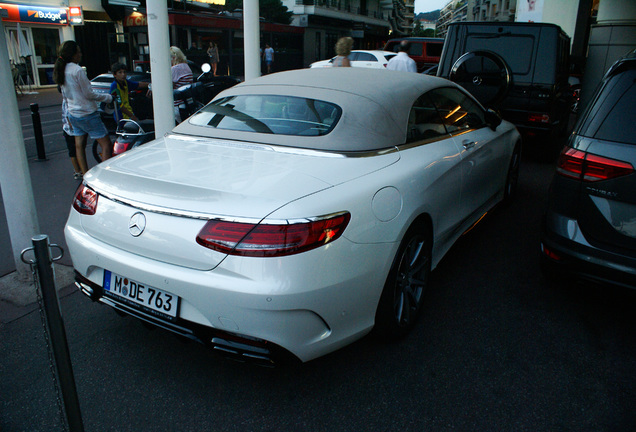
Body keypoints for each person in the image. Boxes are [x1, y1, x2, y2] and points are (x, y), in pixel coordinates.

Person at [53, 40, 113, 175]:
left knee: (79, 146)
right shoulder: (77, 70)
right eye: (78, 52)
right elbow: (88, 93)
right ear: (73, 54)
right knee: (106, 144)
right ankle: (104, 174)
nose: (81, 54)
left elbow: (65, 95)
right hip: (87, 112)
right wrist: (108, 98)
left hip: (73, 113)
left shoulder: (61, 69)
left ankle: (84, 174)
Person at [59, 86, 83, 180]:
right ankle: (78, 171)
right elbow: (68, 116)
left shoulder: (66, 100)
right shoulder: (68, 102)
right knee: (74, 151)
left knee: (75, 151)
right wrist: (74, 127)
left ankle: (78, 170)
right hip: (70, 131)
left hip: (68, 130)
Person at [170, 46, 193, 123]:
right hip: (186, 103)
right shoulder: (186, 66)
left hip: (176, 105)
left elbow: (168, 87)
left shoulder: (174, 69)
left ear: (173, 57)